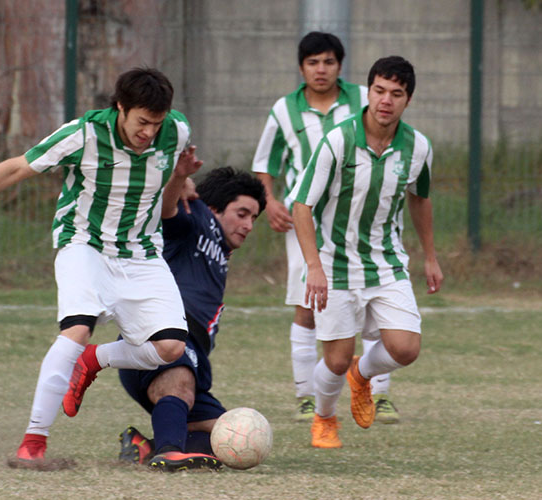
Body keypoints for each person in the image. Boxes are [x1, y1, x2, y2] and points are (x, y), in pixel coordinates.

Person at [0, 67, 200, 470]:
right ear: (120, 108)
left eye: (156, 123)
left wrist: (180, 177)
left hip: (141, 252)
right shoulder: (85, 134)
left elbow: (166, 205)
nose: (149, 132)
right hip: (85, 244)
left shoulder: (176, 131)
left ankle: (95, 360)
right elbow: (15, 168)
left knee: (171, 349)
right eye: (141, 122)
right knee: (76, 329)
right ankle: (33, 443)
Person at [289, 56, 443, 448]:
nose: (385, 101)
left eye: (396, 94)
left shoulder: (419, 147)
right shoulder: (338, 140)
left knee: (406, 349)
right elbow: (302, 205)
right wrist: (313, 267)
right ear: (368, 91)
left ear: (408, 100)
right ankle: (324, 418)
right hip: (334, 264)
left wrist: (430, 256)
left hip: (386, 263)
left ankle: (363, 376)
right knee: (336, 360)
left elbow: (420, 199)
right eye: (379, 91)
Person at [253, 31, 406, 423]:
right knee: (307, 306)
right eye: (312, 62)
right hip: (305, 221)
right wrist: (269, 202)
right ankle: (306, 395)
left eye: (329, 62)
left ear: (340, 66)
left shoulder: (364, 99)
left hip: (359, 220)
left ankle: (379, 392)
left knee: (375, 305)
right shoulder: (284, 111)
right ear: (301, 67)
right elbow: (265, 165)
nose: (321, 70)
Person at [117, 166, 266, 471]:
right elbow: (168, 207)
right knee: (178, 385)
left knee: (227, 435)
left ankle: (145, 447)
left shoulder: (220, 250)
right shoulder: (194, 221)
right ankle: (169, 452)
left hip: (189, 353)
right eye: (242, 213)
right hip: (160, 332)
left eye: (253, 218)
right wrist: (178, 177)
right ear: (213, 209)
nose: (249, 225)